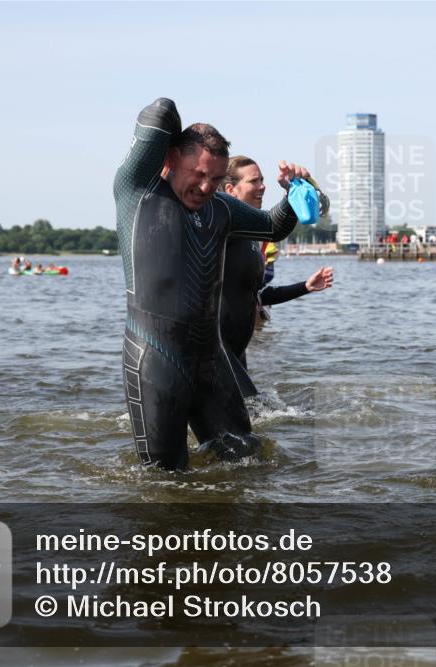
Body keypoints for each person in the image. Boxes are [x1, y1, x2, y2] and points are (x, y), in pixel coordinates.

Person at [114, 97, 310, 471]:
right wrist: (187, 135)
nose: (206, 187)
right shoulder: (138, 192)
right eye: (198, 173)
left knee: (248, 460)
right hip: (156, 356)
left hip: (210, 360)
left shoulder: (220, 207)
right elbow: (159, 111)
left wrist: (294, 193)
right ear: (171, 158)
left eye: (217, 179)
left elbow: (272, 226)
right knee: (164, 477)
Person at [219, 155, 334, 387]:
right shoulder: (222, 226)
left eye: (262, 180)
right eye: (254, 181)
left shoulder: (253, 234)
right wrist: (290, 193)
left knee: (257, 408)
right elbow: (275, 225)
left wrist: (305, 287)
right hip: (217, 351)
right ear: (231, 190)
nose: (262, 186)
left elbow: (257, 296)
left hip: (237, 351)